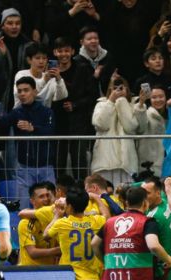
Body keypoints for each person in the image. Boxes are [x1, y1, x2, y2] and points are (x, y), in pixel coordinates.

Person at [0, 76, 56, 207]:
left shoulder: (47, 112)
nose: (22, 94)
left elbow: (51, 131)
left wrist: (33, 128)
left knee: (51, 206)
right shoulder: (16, 112)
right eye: (19, 91)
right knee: (24, 205)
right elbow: (1, 125)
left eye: (26, 90)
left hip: (45, 165)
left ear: (35, 91)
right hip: (24, 166)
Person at [51, 36, 97, 180]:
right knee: (58, 163)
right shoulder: (50, 70)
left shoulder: (82, 68)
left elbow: (92, 95)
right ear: (54, 52)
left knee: (79, 163)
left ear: (72, 51)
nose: (63, 54)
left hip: (78, 123)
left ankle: (82, 192)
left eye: (66, 50)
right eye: (60, 51)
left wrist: (75, 105)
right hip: (57, 123)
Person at [90, 76, 145, 185]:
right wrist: (110, 101)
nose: (118, 91)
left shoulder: (133, 105)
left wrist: (122, 102)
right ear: (110, 90)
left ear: (127, 89)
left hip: (126, 164)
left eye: (121, 88)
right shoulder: (101, 104)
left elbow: (131, 128)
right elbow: (101, 124)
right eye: (114, 88)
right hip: (104, 162)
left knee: (125, 199)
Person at [0, 8, 32, 111]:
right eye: (10, 23)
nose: (14, 27)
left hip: (22, 94)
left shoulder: (28, 45)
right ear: (2, 26)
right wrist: (0, 55)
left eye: (17, 23)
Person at [13, 42, 68, 108]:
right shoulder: (21, 74)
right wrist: (44, 80)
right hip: (22, 115)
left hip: (43, 116)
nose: (41, 62)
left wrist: (59, 79)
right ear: (29, 60)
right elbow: (27, 96)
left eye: (44, 58)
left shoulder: (50, 78)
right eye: (37, 58)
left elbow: (61, 96)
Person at [17, 181, 60, 266]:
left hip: (51, 271)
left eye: (47, 195)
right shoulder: (25, 223)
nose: (46, 199)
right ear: (32, 201)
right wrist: (58, 250)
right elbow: (32, 253)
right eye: (41, 197)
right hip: (31, 272)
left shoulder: (54, 219)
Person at [73, 26, 117, 97]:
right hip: (87, 102)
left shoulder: (107, 57)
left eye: (96, 38)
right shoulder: (77, 61)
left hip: (108, 97)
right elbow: (78, 89)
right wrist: (94, 77)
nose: (93, 41)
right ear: (82, 42)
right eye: (89, 39)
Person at [136, 85, 168, 176]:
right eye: (154, 97)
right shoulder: (146, 114)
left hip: (167, 162)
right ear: (149, 99)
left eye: (161, 96)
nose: (158, 100)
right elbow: (140, 127)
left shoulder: (170, 114)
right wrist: (141, 104)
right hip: (150, 164)